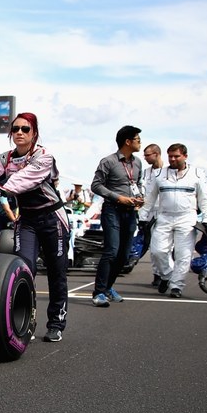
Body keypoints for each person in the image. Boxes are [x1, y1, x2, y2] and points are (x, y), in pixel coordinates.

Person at [0, 112, 69, 342]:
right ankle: (25, 322)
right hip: (27, 219)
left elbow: (22, 181)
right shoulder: (5, 158)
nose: (20, 133)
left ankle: (56, 324)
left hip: (53, 218)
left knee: (57, 273)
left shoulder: (44, 155)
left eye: (25, 129)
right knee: (24, 269)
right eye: (16, 129)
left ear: (34, 133)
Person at [143, 143, 207, 298]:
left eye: (176, 156)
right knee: (157, 251)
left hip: (187, 218)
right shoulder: (159, 174)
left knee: (183, 255)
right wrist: (143, 216)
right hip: (164, 217)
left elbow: (204, 199)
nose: (172, 159)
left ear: (185, 156)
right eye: (170, 156)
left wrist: (206, 218)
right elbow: (150, 198)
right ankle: (167, 276)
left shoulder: (197, 174)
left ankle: (176, 286)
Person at [90, 125, 144, 307]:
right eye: (137, 139)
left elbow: (138, 183)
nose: (140, 143)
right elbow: (96, 185)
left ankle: (108, 288)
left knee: (124, 255)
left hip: (130, 212)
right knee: (111, 251)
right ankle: (98, 292)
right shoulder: (108, 161)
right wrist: (119, 197)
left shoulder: (137, 163)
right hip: (112, 210)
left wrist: (139, 197)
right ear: (127, 142)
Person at [140, 143, 165, 287]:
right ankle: (157, 274)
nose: (145, 158)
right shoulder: (145, 172)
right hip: (149, 212)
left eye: (147, 155)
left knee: (166, 247)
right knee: (153, 246)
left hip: (165, 212)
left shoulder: (168, 172)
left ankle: (167, 274)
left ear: (156, 154)